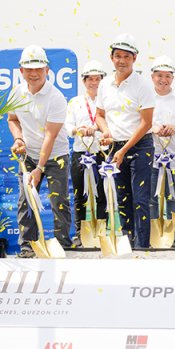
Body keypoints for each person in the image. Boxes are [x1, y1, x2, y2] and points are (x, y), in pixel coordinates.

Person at [8, 44, 72, 258]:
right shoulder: (16, 93)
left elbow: (50, 136)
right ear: (21, 71)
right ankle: (27, 247)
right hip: (28, 156)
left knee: (58, 201)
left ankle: (62, 244)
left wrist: (40, 168)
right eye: (29, 69)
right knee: (26, 200)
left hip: (55, 155)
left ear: (47, 70)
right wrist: (18, 138)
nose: (33, 74)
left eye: (38, 69)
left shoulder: (56, 97)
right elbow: (12, 119)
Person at [95, 33, 155, 248]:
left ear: (135, 58)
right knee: (122, 198)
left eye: (126, 56)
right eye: (117, 55)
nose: (121, 60)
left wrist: (124, 149)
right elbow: (100, 114)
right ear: (111, 57)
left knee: (140, 199)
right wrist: (105, 132)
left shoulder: (143, 85)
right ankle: (128, 243)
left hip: (140, 146)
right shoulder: (104, 84)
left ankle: (142, 245)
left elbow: (146, 123)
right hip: (115, 147)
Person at [65, 60, 108, 241]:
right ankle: (80, 235)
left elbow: (111, 126)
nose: (94, 83)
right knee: (79, 196)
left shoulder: (108, 102)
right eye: (90, 79)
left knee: (103, 195)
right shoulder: (75, 102)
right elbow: (67, 127)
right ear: (83, 81)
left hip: (102, 154)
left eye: (98, 79)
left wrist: (96, 129)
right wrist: (78, 129)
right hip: (80, 154)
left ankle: (101, 233)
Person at [149, 55, 175, 244]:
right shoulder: (145, 99)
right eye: (159, 75)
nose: (163, 79)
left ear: (173, 78)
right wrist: (153, 129)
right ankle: (153, 235)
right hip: (150, 157)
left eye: (167, 75)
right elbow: (138, 124)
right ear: (152, 77)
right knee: (152, 198)